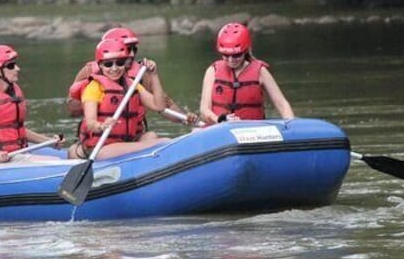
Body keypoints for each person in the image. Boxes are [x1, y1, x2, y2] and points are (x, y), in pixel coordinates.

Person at [66, 26, 198, 125]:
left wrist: (185, 118)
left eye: (134, 49)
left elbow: (165, 106)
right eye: (127, 49)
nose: (131, 54)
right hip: (102, 135)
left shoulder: (142, 74)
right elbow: (72, 109)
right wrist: (101, 97)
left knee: (151, 136)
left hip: (133, 135)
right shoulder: (90, 72)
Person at [69, 38, 169, 160]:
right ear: (100, 65)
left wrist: (154, 75)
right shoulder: (94, 87)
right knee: (164, 142)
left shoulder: (132, 84)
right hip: (101, 148)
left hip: (125, 142)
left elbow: (159, 106)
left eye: (120, 63)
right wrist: (102, 126)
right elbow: (90, 123)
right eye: (108, 64)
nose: (115, 68)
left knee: (151, 136)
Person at [199, 22, 294, 124]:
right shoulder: (212, 71)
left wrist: (292, 126)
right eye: (226, 55)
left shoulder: (260, 71)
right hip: (219, 129)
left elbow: (282, 104)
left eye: (236, 55)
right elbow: (204, 111)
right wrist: (220, 120)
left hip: (253, 131)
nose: (231, 60)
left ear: (245, 50)